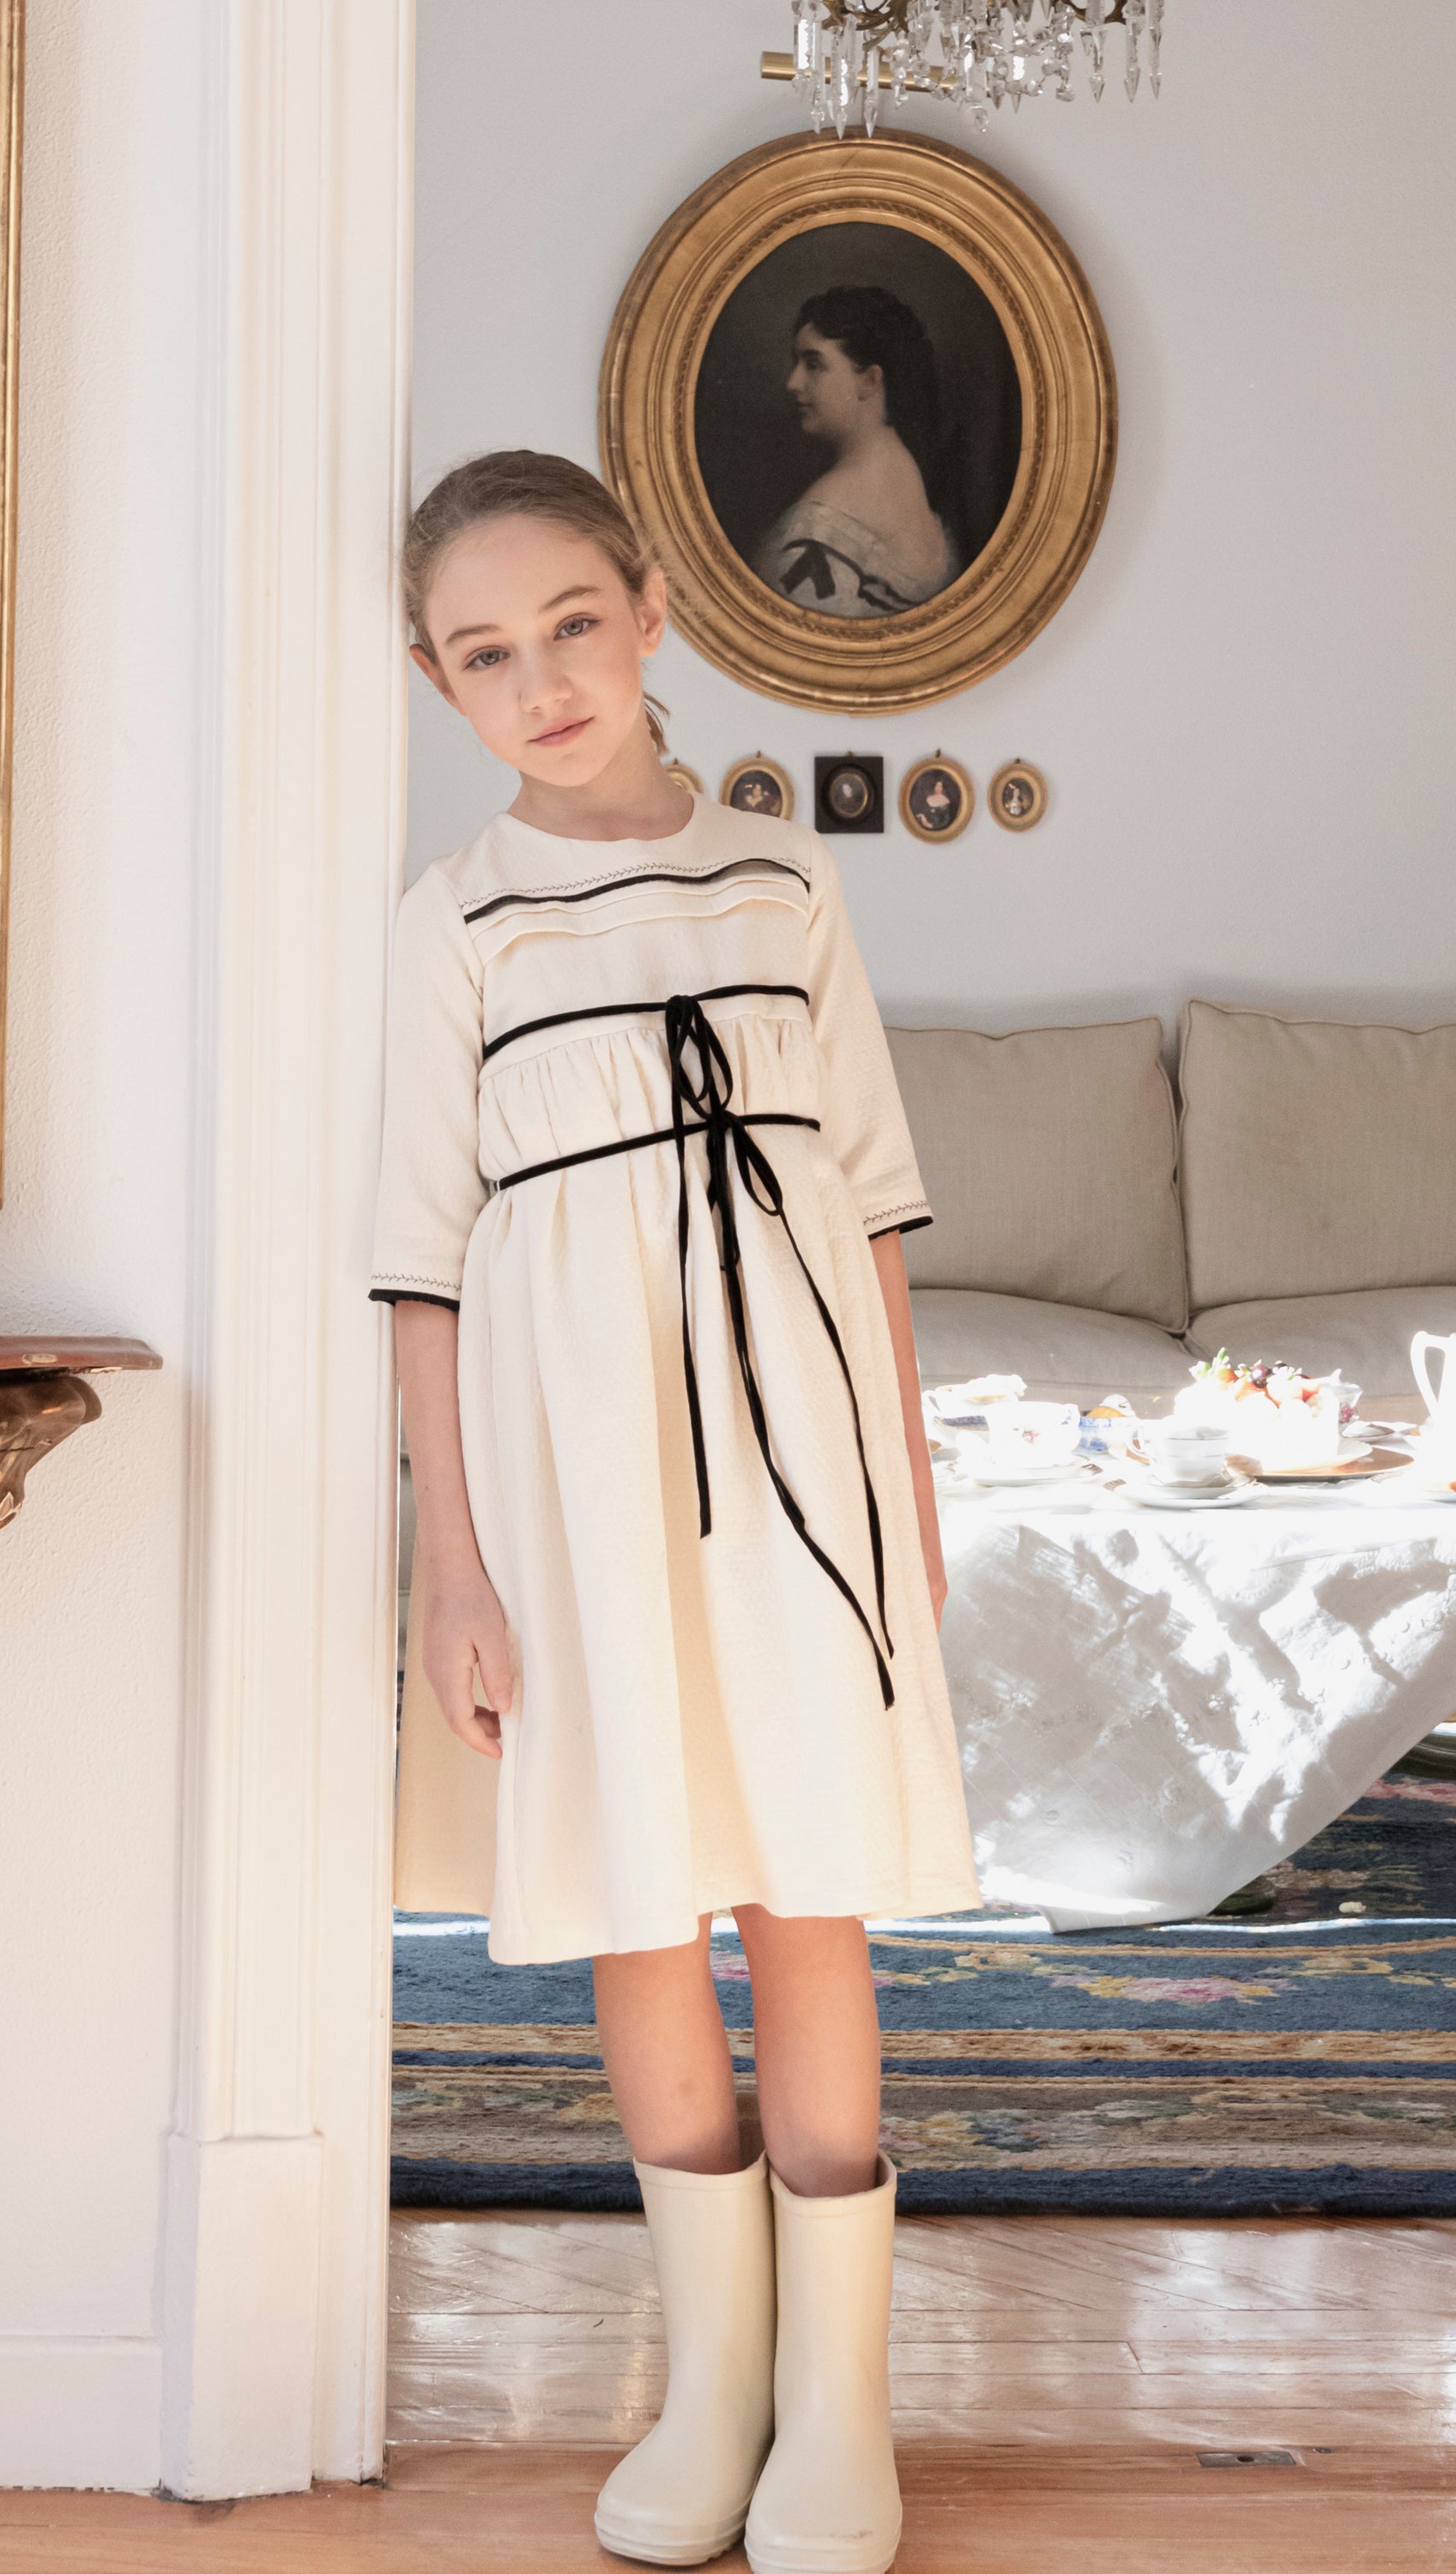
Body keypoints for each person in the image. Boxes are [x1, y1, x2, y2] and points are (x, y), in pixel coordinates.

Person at [373, 448, 978, 2574]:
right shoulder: (450, 921)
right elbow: (420, 1263)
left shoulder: (781, 887)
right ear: (439, 683)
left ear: (648, 611)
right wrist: (452, 1566)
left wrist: (905, 1504)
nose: (538, 679)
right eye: (482, 653)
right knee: (639, 1893)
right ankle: (712, 2379)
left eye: (569, 624)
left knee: (804, 1884)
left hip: (799, 1465)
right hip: (570, 1484)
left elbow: (873, 1211)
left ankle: (836, 2403)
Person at [756, 286, 962, 620]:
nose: (793, 383)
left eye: (813, 364)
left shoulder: (815, 531)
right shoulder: (910, 476)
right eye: (797, 364)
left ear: (869, 381)